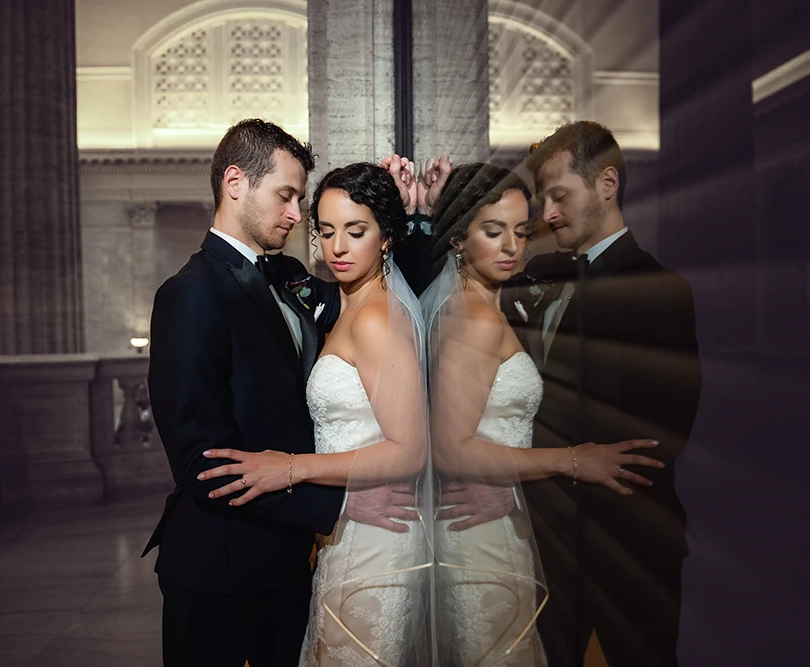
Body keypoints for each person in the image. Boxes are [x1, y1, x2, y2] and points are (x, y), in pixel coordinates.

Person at [422, 162, 663, 666]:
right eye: (493, 232)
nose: (512, 246)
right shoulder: (477, 320)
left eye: (521, 231)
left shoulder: (481, 306)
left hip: (495, 515)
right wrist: (573, 460)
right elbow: (451, 449)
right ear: (458, 240)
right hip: (481, 534)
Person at [199, 161, 432, 667]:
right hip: (343, 528)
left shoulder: (375, 320)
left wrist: (291, 468)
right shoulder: (343, 304)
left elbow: (410, 451)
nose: (338, 248)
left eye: (356, 231)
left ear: (387, 238)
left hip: (378, 535)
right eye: (326, 231)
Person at [142, 119, 347, 667]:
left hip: (289, 564)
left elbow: (371, 298)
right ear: (235, 183)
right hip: (218, 569)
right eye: (285, 196)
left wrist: (410, 221)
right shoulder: (188, 295)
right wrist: (338, 502)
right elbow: (202, 462)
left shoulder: (289, 274)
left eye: (300, 200)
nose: (296, 214)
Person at [506, 121, 702, 667]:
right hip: (546, 535)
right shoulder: (542, 275)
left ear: (607, 184)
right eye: (543, 200)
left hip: (630, 541)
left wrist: (573, 469)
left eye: (560, 196)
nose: (548, 214)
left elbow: (663, 431)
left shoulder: (658, 288)